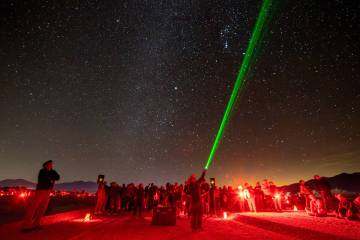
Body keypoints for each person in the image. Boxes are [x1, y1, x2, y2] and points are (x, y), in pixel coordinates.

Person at [21, 160, 60, 232]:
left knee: (42, 209)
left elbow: (58, 177)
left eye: (51, 164)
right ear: (45, 165)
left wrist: (51, 177)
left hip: (48, 192)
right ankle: (26, 226)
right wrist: (51, 179)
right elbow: (44, 180)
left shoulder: (52, 172)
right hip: (40, 191)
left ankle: (36, 224)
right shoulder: (42, 171)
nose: (51, 165)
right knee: (33, 207)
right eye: (49, 164)